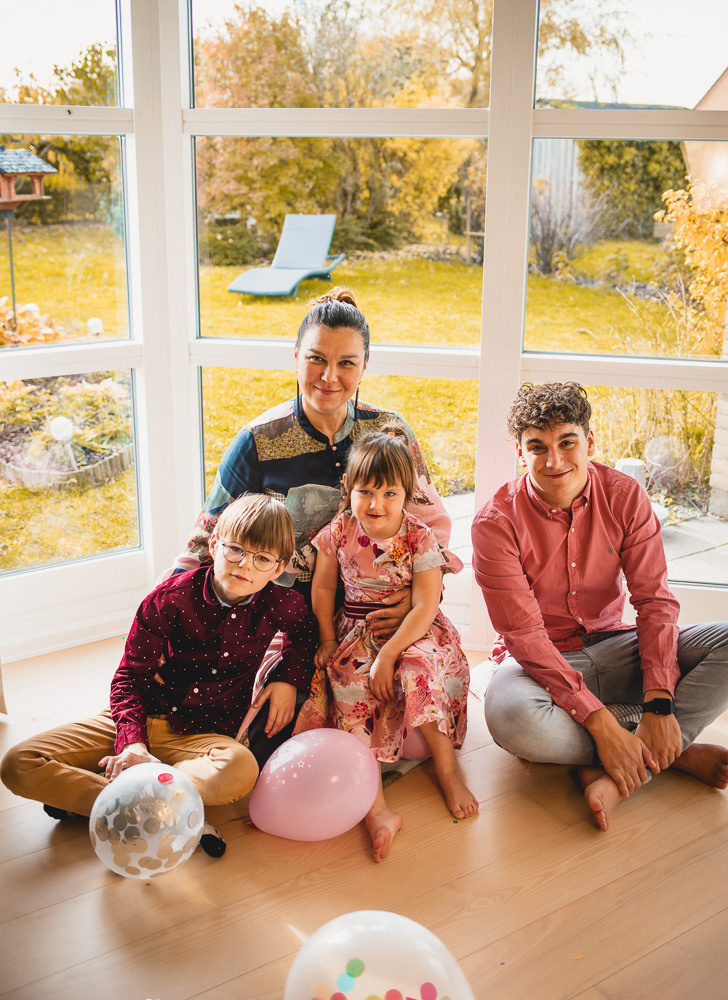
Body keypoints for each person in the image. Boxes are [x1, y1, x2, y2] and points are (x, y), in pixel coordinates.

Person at [169, 286, 461, 759]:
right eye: (316, 358)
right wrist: (167, 610)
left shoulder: (390, 431)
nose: (330, 376)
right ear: (296, 357)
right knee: (258, 737)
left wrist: (417, 593)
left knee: (394, 711)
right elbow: (209, 537)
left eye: (347, 362)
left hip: (381, 617)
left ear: (365, 366)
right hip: (290, 622)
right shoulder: (258, 441)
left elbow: (430, 524)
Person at [471, 381, 728, 832]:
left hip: (616, 644)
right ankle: (669, 753)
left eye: (567, 442)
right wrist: (602, 725)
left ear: (590, 441)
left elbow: (654, 602)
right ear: (519, 450)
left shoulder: (625, 495)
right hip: (540, 662)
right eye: (537, 447)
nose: (554, 461)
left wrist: (661, 703)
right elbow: (525, 637)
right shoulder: (495, 524)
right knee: (509, 717)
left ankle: (627, 758)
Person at [1, 495, 317, 858]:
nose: (245, 565)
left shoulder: (284, 604)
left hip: (202, 737)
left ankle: (118, 799)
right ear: (214, 545)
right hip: (139, 716)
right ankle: (167, 807)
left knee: (241, 770)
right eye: (235, 550)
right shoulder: (169, 599)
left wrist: (288, 679)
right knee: (18, 764)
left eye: (262, 559)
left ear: (278, 569)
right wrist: (133, 743)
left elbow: (305, 636)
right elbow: (128, 678)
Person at [296, 425, 477, 862]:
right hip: (357, 632)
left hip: (415, 631)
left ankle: (447, 770)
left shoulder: (417, 536)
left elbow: (425, 603)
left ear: (407, 493)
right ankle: (375, 808)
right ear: (349, 488)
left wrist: (391, 654)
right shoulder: (338, 531)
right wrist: (326, 637)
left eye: (389, 494)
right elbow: (323, 590)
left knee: (417, 669)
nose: (376, 505)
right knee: (348, 686)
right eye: (366, 492)